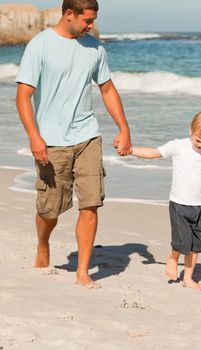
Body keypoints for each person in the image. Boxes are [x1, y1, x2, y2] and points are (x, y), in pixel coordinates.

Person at [15, 0, 132, 289]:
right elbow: (23, 96)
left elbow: (106, 88)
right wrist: (34, 136)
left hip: (88, 136)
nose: (90, 26)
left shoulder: (95, 48)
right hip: (51, 141)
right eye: (87, 20)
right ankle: (43, 245)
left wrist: (124, 128)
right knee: (49, 209)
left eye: (93, 20)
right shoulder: (39, 45)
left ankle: (82, 272)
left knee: (91, 204)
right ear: (69, 14)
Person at [129, 111, 201, 291]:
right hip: (179, 204)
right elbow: (154, 152)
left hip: (199, 206)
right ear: (190, 131)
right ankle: (173, 257)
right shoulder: (178, 146)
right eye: (198, 141)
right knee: (182, 242)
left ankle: (187, 277)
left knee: (196, 245)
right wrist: (131, 150)